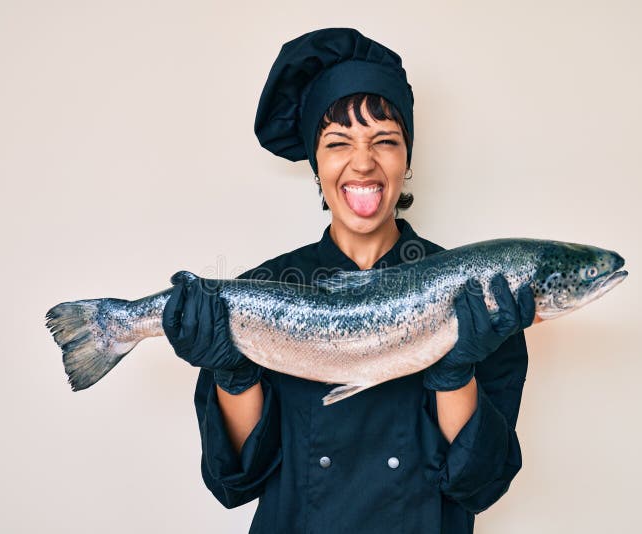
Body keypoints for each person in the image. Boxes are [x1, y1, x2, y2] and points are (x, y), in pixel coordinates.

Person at [162, 28, 535, 534]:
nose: (363, 162)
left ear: (407, 158)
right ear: (317, 164)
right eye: (338, 143)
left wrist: (456, 373)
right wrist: (235, 374)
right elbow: (234, 482)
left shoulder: (481, 299)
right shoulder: (258, 294)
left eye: (385, 140)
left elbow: (481, 485)